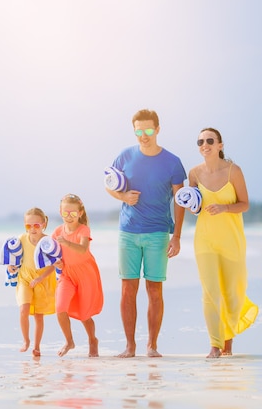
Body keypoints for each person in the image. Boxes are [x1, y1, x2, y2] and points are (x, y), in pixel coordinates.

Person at [106, 109, 186, 358]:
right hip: (128, 232)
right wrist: (122, 196)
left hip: (158, 233)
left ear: (158, 129)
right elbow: (109, 184)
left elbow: (179, 200)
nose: (144, 135)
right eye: (139, 130)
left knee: (154, 290)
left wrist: (177, 236)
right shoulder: (125, 156)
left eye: (148, 130)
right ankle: (130, 346)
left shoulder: (172, 161)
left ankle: (152, 345)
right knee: (127, 289)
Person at [187, 127, 258, 358]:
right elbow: (194, 207)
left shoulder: (233, 171)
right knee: (210, 293)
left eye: (209, 140)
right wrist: (191, 205)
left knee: (232, 294)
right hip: (205, 241)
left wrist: (225, 207)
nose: (204, 145)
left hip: (232, 241)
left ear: (220, 145)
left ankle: (228, 340)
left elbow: (244, 204)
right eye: (200, 141)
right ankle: (215, 345)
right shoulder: (194, 174)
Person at [51, 193, 104, 357]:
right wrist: (57, 262)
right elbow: (53, 254)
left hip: (85, 274)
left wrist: (66, 242)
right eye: (65, 213)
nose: (69, 216)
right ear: (61, 212)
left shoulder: (83, 229)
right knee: (60, 308)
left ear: (80, 213)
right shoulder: (58, 231)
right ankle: (69, 341)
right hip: (67, 274)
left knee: (84, 314)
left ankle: (92, 340)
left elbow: (82, 249)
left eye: (73, 213)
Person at [7, 207, 57, 357]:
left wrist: (40, 278)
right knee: (23, 310)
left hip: (42, 280)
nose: (33, 229)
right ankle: (26, 340)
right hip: (24, 278)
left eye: (36, 225)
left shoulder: (48, 242)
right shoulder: (22, 239)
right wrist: (11, 266)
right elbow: (15, 257)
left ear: (43, 224)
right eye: (29, 226)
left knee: (38, 316)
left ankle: (37, 347)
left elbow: (53, 265)